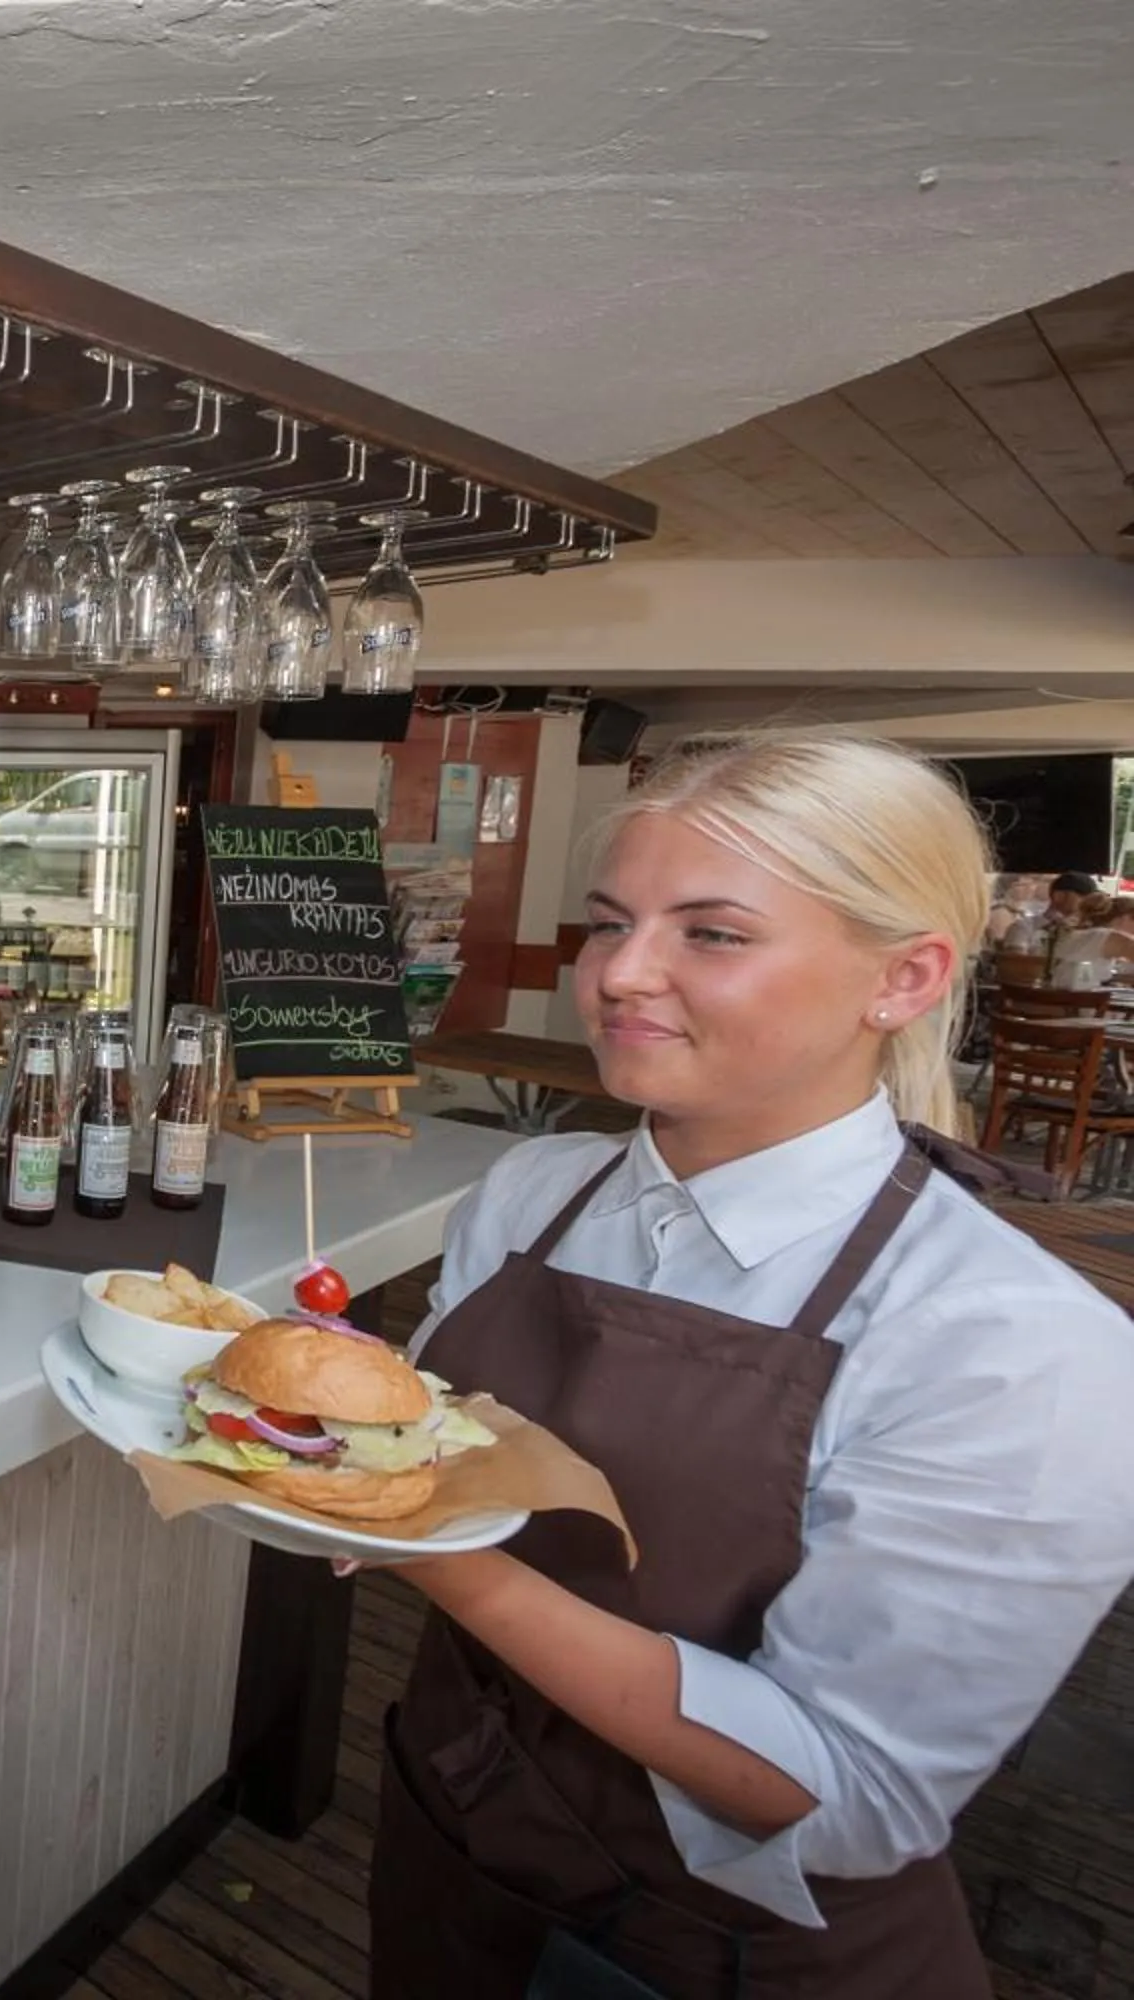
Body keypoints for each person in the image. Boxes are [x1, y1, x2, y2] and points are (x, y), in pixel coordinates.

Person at [366, 734, 1134, 1996]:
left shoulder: (1014, 1344)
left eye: (711, 933)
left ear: (906, 976)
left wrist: (437, 1558)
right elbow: (451, 1453)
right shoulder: (529, 1191)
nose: (620, 973)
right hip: (451, 1845)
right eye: (609, 923)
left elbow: (851, 1793)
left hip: (716, 1950)